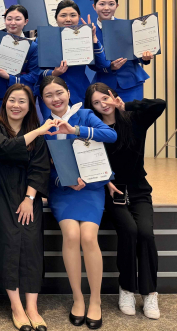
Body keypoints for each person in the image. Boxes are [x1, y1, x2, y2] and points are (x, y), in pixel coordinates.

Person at [40, 76, 117, 329]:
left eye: (59, 93)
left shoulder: (84, 115)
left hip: (92, 188)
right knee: (72, 235)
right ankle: (78, 298)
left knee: (89, 237)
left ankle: (95, 300)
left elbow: (111, 135)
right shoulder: (44, 126)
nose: (55, 99)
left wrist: (74, 131)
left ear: (68, 93)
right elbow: (44, 166)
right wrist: (64, 180)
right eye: (49, 95)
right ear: (43, 100)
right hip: (63, 190)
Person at [86, 83, 165, 320]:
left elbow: (159, 104)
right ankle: (127, 288)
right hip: (111, 190)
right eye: (96, 103)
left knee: (146, 233)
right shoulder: (95, 129)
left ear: (113, 96)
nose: (103, 105)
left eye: (105, 99)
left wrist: (125, 106)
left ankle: (150, 292)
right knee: (129, 230)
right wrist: (104, 181)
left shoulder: (133, 119)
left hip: (139, 189)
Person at [0, 84, 51, 331]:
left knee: (31, 243)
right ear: (4, 102)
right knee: (8, 241)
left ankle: (32, 307)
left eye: (22, 101)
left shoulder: (35, 134)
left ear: (30, 106)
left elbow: (40, 168)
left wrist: (30, 198)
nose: (16, 105)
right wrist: (39, 131)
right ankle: (16, 306)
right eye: (12, 100)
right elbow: (5, 148)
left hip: (27, 195)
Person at [39, 0, 113, 119]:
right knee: (54, 129)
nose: (68, 19)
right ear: (56, 18)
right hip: (52, 97)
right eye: (63, 15)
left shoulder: (84, 36)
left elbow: (103, 65)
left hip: (79, 93)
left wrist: (93, 39)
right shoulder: (43, 38)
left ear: (78, 17)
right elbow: (35, 71)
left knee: (81, 128)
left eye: (73, 15)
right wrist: (53, 73)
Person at [0, 5, 40, 113]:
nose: (12, 23)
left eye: (18, 19)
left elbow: (34, 76)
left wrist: (10, 77)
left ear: (26, 21)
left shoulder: (32, 47)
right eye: (9, 19)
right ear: (4, 20)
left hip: (19, 97)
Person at [91, 0, 153, 102]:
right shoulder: (90, 32)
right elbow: (91, 64)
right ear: (94, 6)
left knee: (131, 113)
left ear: (117, 6)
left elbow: (137, 53)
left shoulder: (128, 26)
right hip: (104, 85)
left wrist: (145, 57)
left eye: (111, 4)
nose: (106, 8)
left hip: (131, 83)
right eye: (102, 4)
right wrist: (109, 68)